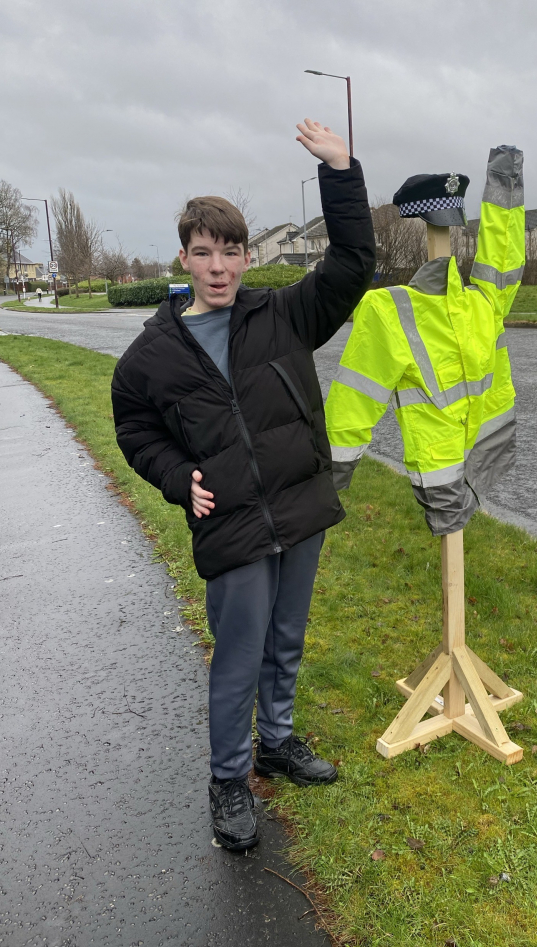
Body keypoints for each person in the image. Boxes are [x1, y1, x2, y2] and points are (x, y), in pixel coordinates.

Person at [111, 119, 376, 851]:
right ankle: (229, 779)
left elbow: (355, 261)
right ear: (185, 258)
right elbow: (134, 426)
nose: (220, 266)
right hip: (230, 522)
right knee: (238, 652)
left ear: (246, 256)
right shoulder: (152, 356)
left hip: (299, 502)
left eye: (231, 251)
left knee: (286, 638)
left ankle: (277, 742)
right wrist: (176, 476)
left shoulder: (283, 314)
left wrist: (341, 172)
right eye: (205, 253)